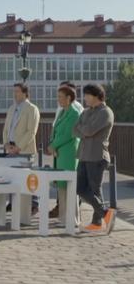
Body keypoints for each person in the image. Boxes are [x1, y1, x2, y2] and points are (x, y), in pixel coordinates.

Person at [73, 84, 116, 234]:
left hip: (97, 156)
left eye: (86, 95)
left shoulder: (106, 112)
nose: (84, 98)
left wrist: (83, 129)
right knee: (79, 188)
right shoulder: (85, 112)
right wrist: (84, 130)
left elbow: (89, 130)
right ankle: (104, 215)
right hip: (84, 155)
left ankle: (97, 222)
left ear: (95, 96)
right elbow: (75, 129)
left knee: (94, 190)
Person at [3, 83, 41, 213]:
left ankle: (34, 204)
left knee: (28, 177)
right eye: (14, 92)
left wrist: (19, 147)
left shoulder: (32, 109)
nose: (15, 94)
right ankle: (13, 202)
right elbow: (6, 129)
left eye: (17, 92)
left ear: (25, 93)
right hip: (11, 148)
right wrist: (6, 144)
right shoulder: (11, 108)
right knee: (12, 176)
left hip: (24, 150)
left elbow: (31, 132)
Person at [47, 86, 81, 222]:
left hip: (68, 153)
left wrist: (53, 145)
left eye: (61, 96)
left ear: (69, 98)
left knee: (69, 185)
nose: (58, 99)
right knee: (61, 186)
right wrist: (51, 144)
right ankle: (63, 218)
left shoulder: (74, 113)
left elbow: (68, 134)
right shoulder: (61, 112)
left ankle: (73, 219)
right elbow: (54, 130)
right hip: (59, 153)